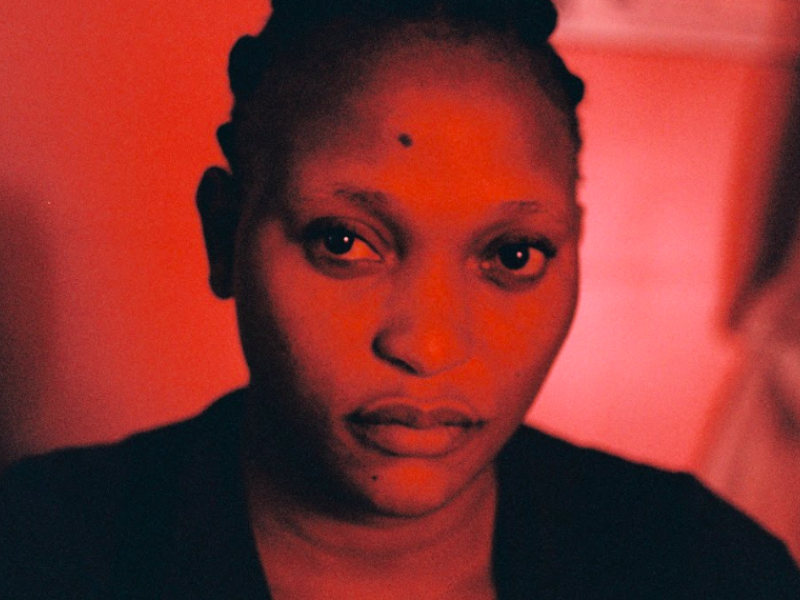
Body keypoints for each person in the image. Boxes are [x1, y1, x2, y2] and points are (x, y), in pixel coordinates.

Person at [1, 0, 798, 598]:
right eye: (343, 242)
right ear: (224, 235)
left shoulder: (701, 566)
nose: (428, 344)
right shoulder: (40, 550)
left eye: (512, 255)